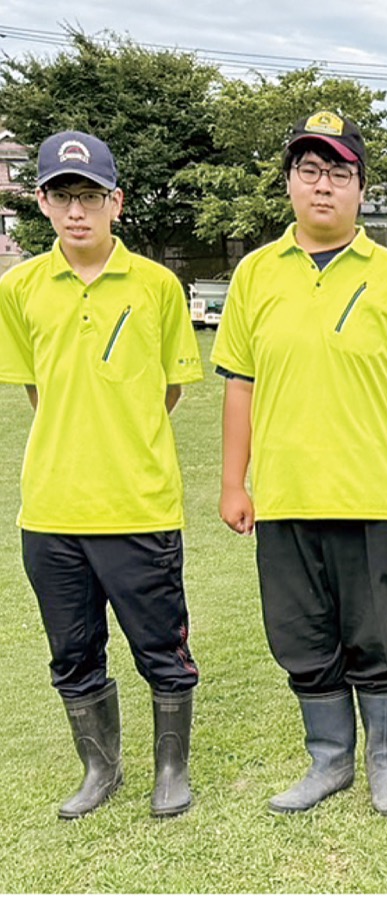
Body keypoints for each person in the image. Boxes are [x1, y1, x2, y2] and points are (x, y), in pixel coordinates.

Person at [212, 111, 387, 816]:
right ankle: (329, 761)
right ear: (289, 183)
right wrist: (232, 482)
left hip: (374, 496)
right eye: (309, 170)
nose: (323, 186)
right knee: (301, 633)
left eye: (339, 173)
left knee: (379, 634)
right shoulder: (256, 274)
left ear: (360, 188)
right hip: (285, 496)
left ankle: (386, 763)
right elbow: (240, 385)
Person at [0, 131, 202, 819]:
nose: (76, 211)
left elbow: (168, 390)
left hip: (139, 503)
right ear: (41, 202)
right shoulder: (19, 288)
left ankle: (171, 770)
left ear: (116, 201)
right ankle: (100, 768)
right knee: (73, 652)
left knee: (162, 649)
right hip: (51, 509)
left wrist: (121, 432)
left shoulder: (157, 286)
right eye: (62, 196)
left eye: (90, 196)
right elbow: (38, 391)